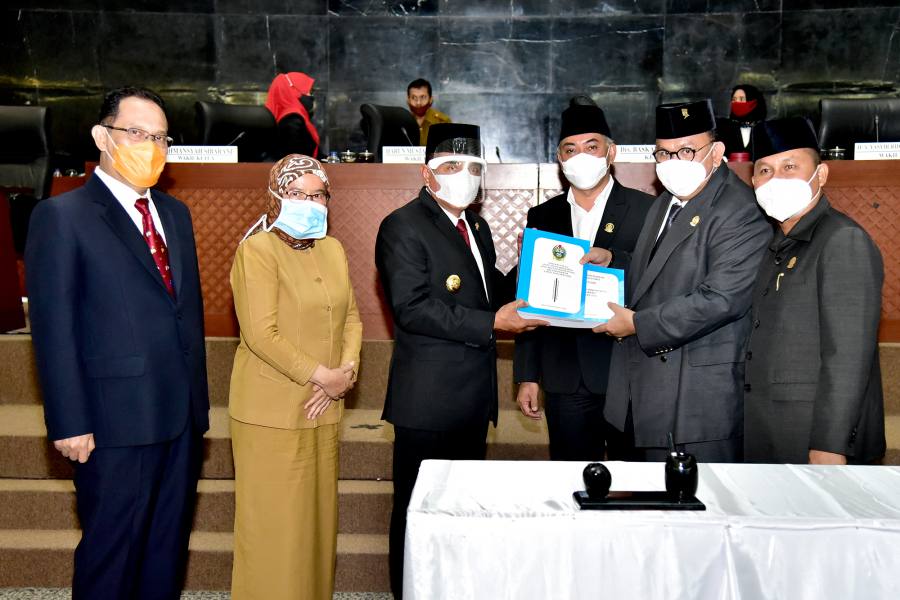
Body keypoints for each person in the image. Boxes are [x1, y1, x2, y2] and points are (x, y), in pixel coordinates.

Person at [24, 86, 209, 599]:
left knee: (165, 553)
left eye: (160, 138)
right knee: (112, 555)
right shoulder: (63, 216)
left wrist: (198, 405)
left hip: (179, 416)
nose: (150, 146)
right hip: (112, 420)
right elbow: (54, 328)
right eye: (136, 133)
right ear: (102, 137)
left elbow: (182, 313)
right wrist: (69, 420)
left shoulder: (175, 214)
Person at [375, 123, 546, 597]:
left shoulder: (477, 226)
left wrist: (539, 265)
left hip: (472, 399)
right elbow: (411, 309)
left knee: (457, 511)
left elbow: (489, 293)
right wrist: (492, 324)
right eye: (451, 165)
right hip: (429, 402)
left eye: (473, 167)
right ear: (427, 174)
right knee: (417, 511)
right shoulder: (403, 225)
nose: (464, 175)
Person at [593, 99, 771, 462]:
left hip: (697, 403)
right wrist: (614, 260)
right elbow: (661, 268)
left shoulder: (740, 210)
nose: (674, 162)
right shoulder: (666, 202)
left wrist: (638, 324)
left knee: (699, 495)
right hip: (648, 392)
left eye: (687, 151)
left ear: (716, 152)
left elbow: (721, 299)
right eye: (664, 153)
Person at [228, 154, 362, 599]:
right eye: (296, 194)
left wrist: (345, 372)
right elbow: (260, 334)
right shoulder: (257, 251)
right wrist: (322, 376)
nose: (309, 202)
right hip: (272, 414)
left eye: (318, 195)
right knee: (275, 536)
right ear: (275, 196)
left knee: (315, 534)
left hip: (324, 409)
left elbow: (352, 319)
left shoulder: (333, 249)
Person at [514, 103, 654, 460]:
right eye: (570, 149)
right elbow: (529, 297)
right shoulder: (543, 215)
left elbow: (661, 279)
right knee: (572, 479)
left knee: (633, 480)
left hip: (628, 370)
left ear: (611, 152)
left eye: (592, 147)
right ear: (559, 159)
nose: (581, 157)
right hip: (566, 375)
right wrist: (528, 375)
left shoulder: (646, 209)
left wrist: (615, 259)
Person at [744, 117, 885, 465]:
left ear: (821, 174)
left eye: (790, 167)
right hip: (770, 430)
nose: (775, 179)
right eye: (765, 170)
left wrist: (830, 445)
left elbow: (848, 357)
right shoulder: (776, 243)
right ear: (753, 181)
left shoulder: (841, 239)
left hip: (814, 438)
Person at [265, 72, 322, 159]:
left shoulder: (291, 118)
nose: (311, 97)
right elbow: (296, 159)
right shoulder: (292, 121)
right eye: (309, 92)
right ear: (295, 93)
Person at [718, 84, 767, 160]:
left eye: (741, 99)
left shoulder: (765, 129)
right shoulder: (724, 128)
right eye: (734, 99)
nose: (737, 102)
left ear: (753, 102)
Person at [407, 78, 451, 146]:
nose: (418, 103)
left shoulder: (442, 121)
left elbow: (448, 148)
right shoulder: (401, 122)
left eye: (423, 97)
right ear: (408, 100)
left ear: (430, 99)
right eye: (414, 98)